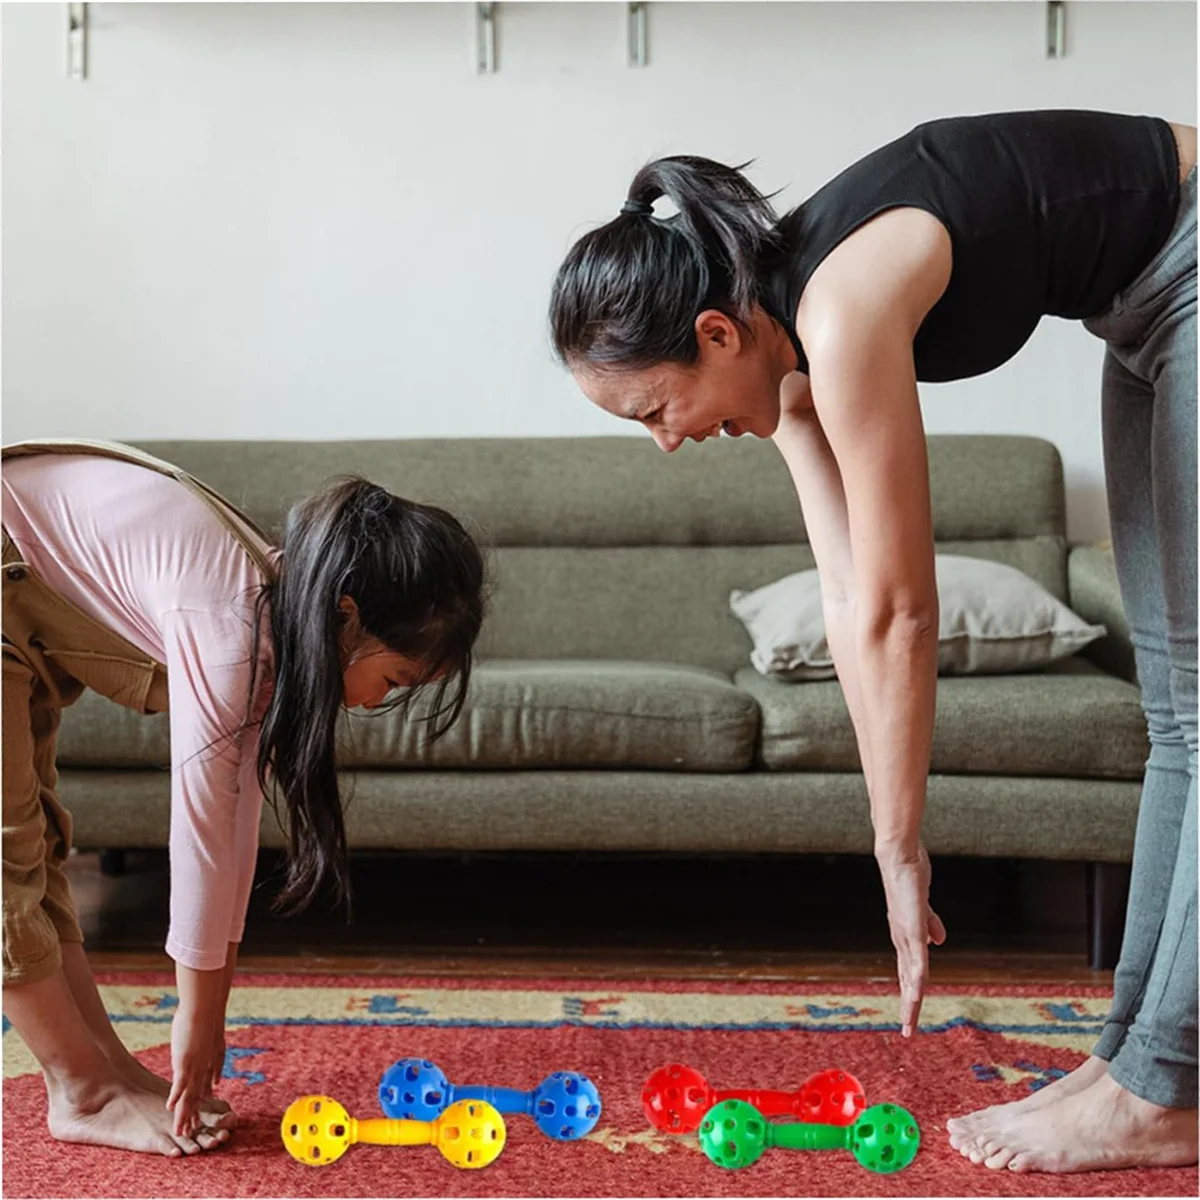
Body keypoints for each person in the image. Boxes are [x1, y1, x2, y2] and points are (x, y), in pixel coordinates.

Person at [549, 110, 1197, 1173]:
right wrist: (884, 836)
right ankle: (1137, 1059)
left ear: (717, 334)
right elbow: (849, 598)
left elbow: (904, 609)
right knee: (1175, 714)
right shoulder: (787, 360)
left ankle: (1161, 1092)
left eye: (654, 410)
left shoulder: (839, 315)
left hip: (1192, 253)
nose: (667, 443)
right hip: (1138, 305)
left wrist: (904, 848)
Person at [1, 440, 485, 1156]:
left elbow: (234, 824)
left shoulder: (278, 623)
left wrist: (211, 1009)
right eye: (396, 680)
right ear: (347, 616)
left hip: (22, 610)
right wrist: (194, 1020)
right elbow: (199, 831)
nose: (379, 703)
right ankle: (85, 1090)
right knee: (6, 860)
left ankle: (107, 1072)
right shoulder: (234, 626)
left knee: (37, 842)